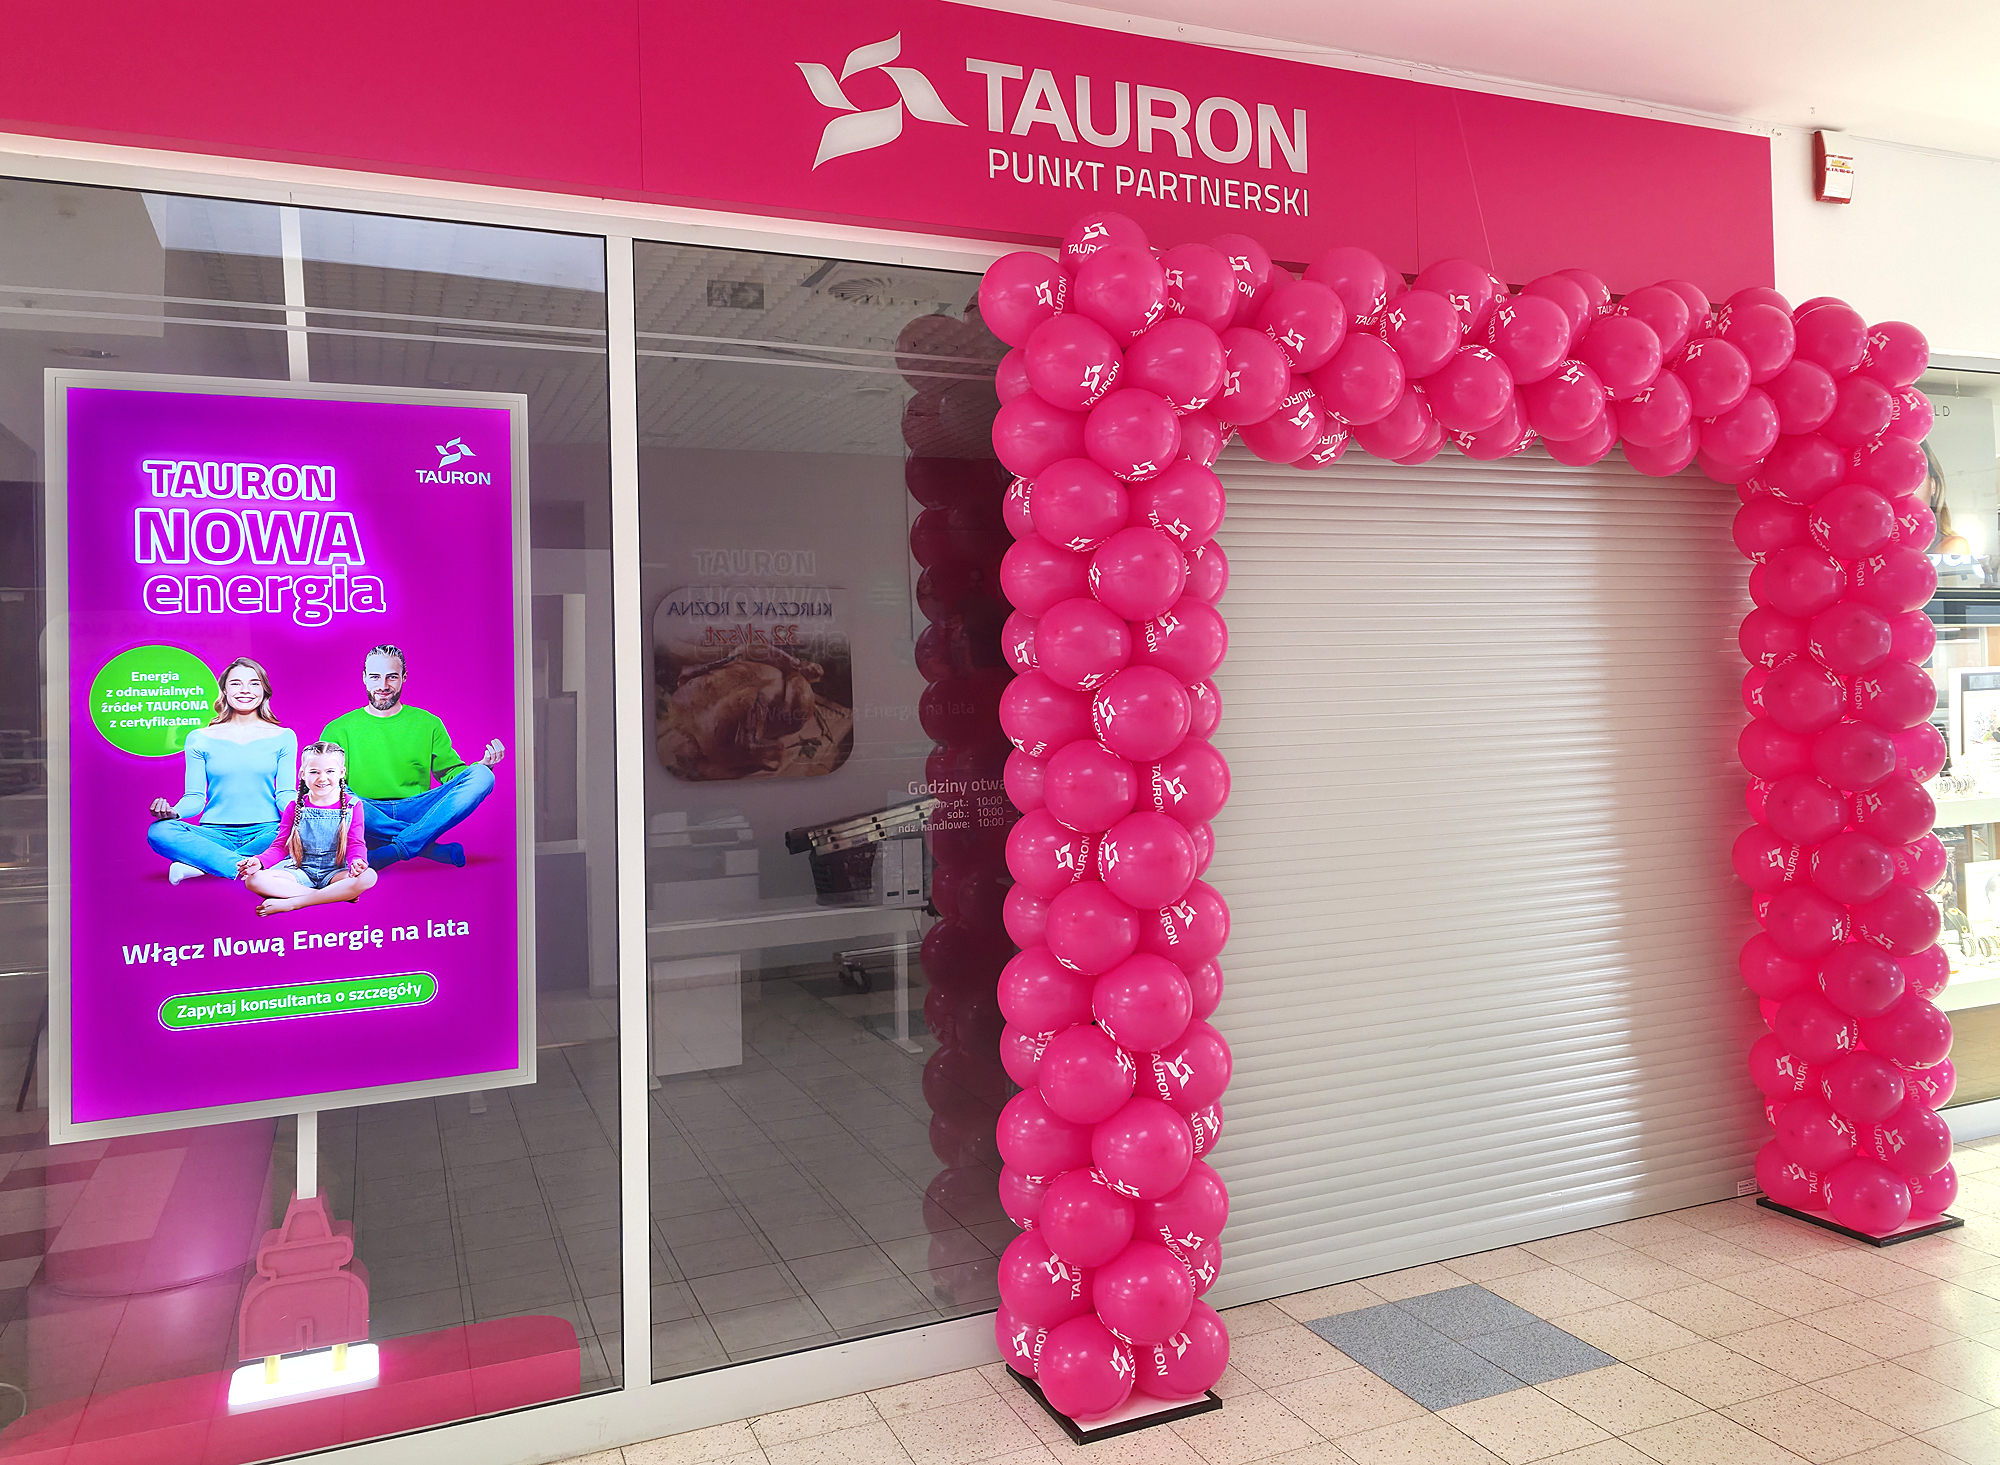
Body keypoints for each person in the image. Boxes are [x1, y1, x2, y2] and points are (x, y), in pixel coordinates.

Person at [319, 644, 502, 868]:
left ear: (404, 677)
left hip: (417, 809)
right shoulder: (337, 729)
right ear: (364, 677)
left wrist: (480, 767)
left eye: (392, 677)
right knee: (334, 792)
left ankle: (394, 851)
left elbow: (450, 772)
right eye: (375, 677)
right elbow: (326, 787)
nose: (383, 685)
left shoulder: (429, 723)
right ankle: (428, 847)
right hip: (365, 813)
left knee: (483, 776)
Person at [147, 656, 297, 885]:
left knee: (301, 829)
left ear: (264, 690)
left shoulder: (284, 736)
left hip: (267, 832)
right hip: (214, 835)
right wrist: (174, 812)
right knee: (159, 831)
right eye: (236, 683)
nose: (245, 690)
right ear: (225, 690)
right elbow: (195, 797)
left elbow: (285, 793)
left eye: (254, 683)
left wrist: (303, 813)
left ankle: (203, 866)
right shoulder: (199, 738)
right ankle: (250, 865)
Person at [237, 741, 377, 916]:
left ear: (342, 773)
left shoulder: (353, 805)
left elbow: (356, 843)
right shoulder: (294, 807)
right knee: (254, 880)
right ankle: (332, 895)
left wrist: (358, 861)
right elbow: (281, 846)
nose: (322, 778)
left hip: (336, 872)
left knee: (369, 876)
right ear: (302, 774)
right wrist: (259, 861)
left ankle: (294, 903)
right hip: (300, 870)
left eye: (330, 771)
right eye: (314, 772)